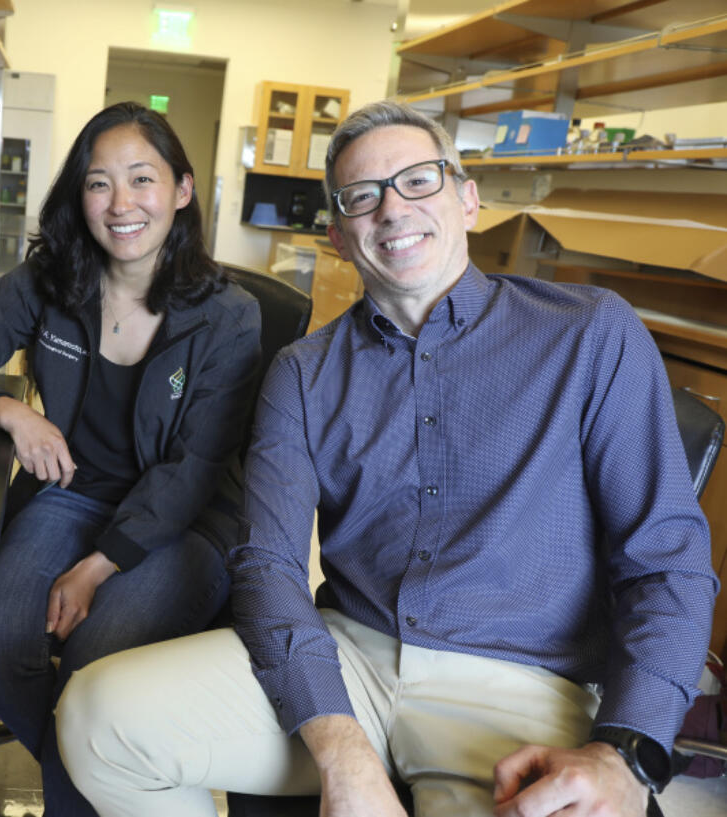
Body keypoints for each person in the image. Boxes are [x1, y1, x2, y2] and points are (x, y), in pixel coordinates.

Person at [55, 100, 720, 817]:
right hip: (349, 659)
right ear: (341, 235)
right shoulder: (302, 372)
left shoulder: (589, 335)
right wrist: (341, 749)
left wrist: (624, 752)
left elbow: (666, 560)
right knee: (96, 718)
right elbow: (268, 565)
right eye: (362, 197)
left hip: (519, 688)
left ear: (467, 198)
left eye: (418, 181)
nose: (393, 211)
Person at [0, 101, 261, 815]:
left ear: (183, 190)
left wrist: (98, 565)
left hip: (183, 523)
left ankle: (97, 784)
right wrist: (9, 411)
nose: (121, 203)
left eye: (142, 179)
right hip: (72, 495)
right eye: (99, 183)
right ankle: (110, 785)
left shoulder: (229, 315)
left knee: (99, 662)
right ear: (80, 196)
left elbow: (194, 470)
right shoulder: (50, 281)